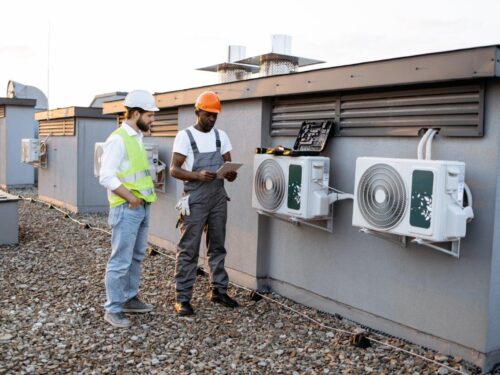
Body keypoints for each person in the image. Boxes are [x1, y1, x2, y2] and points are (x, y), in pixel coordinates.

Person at [170, 91, 239, 316]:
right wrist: (198, 176)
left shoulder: (222, 136)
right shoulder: (185, 136)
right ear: (198, 111)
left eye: (215, 116)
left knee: (217, 246)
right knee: (189, 248)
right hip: (195, 199)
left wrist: (230, 175)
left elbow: (229, 165)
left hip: (219, 198)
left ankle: (218, 290)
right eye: (208, 115)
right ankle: (182, 298)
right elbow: (174, 169)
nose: (212, 119)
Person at [99, 90, 159, 328]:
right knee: (120, 260)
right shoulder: (118, 139)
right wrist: (131, 199)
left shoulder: (136, 138)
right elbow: (106, 176)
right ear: (136, 114)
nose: (153, 119)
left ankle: (129, 299)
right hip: (127, 208)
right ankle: (113, 309)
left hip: (141, 207)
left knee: (135, 257)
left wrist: (140, 201)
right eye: (150, 115)